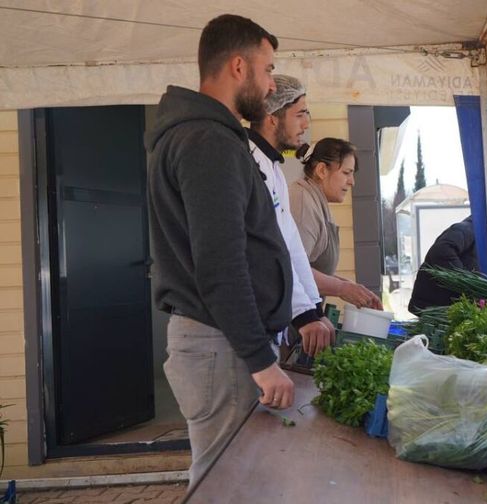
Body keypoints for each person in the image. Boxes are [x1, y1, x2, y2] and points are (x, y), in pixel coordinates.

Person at [145, 14, 295, 485]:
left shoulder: (203, 133)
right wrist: (261, 360)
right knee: (226, 485)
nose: (271, 85)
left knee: (234, 480)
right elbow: (220, 263)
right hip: (221, 345)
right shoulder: (208, 140)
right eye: (267, 69)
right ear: (237, 67)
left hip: (219, 341)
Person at [248, 74, 335, 357]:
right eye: (300, 114)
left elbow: (291, 245)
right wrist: (304, 315)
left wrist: (312, 308)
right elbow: (271, 248)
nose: (306, 124)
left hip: (268, 326)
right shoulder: (250, 165)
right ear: (272, 117)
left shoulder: (273, 168)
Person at [289, 138, 383, 309]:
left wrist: (352, 288)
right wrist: (341, 288)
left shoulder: (317, 200)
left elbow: (312, 269)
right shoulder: (303, 203)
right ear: (322, 170)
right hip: (295, 321)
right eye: (346, 173)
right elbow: (293, 270)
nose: (352, 181)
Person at [408, 204, 487, 314]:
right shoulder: (466, 229)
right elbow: (442, 251)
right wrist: (469, 283)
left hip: (442, 308)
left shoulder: (478, 242)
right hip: (432, 305)